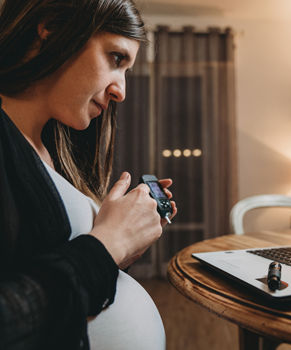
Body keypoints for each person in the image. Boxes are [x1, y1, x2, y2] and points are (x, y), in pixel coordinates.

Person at [0, 1, 177, 349]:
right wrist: (110, 243)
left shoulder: (55, 147)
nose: (121, 92)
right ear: (50, 29)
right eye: (116, 58)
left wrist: (123, 243)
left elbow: (62, 266)